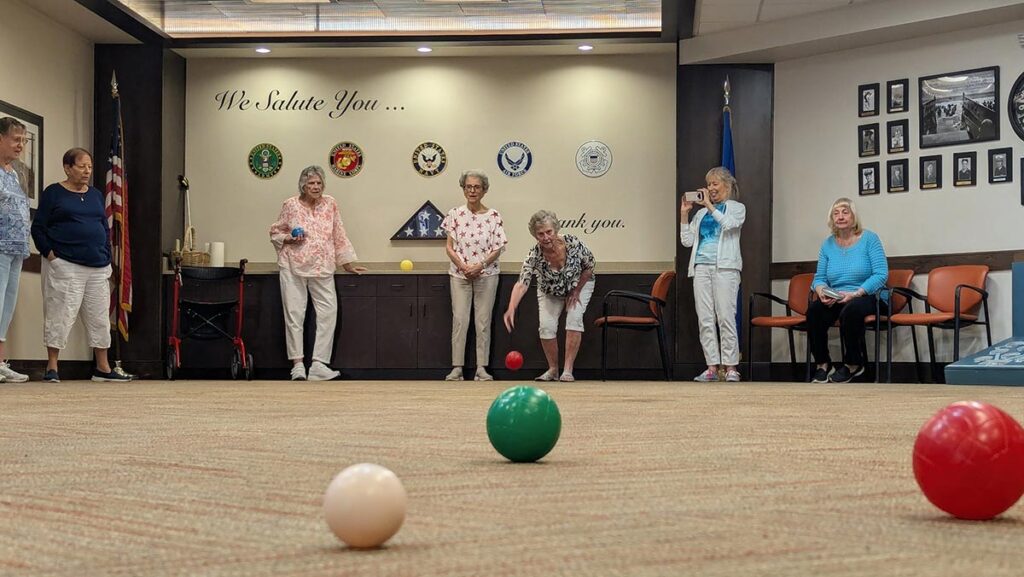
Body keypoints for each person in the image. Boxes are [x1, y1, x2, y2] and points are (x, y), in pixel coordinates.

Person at [30, 148, 131, 383]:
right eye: (81, 166)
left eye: (90, 167)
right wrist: (51, 256)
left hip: (98, 266)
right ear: (67, 167)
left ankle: (103, 368)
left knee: (99, 318)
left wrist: (106, 254)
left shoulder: (96, 195)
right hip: (66, 264)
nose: (87, 171)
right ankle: (52, 367)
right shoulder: (54, 193)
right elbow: (38, 228)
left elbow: (103, 227)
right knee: (60, 314)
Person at [269, 165, 366, 381]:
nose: (315, 187)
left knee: (328, 313)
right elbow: (276, 231)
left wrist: (347, 264)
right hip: (292, 265)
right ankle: (297, 365)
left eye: (319, 183)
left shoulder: (330, 203)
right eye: (311, 183)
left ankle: (319, 364)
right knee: (294, 314)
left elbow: (338, 232)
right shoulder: (291, 205)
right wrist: (288, 238)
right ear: (303, 185)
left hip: (323, 265)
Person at [503, 210, 595, 382]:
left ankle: (567, 370)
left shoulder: (573, 243)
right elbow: (522, 283)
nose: (545, 237)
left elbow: (589, 267)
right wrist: (511, 307)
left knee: (574, 319)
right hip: (550, 290)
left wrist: (576, 291)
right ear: (535, 235)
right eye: (540, 234)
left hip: (579, 285)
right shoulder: (534, 255)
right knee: (546, 327)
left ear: (555, 229)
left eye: (549, 232)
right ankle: (553, 369)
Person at [807, 198, 888, 383]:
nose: (840, 216)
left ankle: (853, 363)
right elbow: (819, 278)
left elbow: (881, 274)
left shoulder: (869, 239)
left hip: (868, 295)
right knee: (814, 311)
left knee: (851, 310)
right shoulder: (827, 244)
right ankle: (823, 364)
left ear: (854, 217)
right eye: (836, 213)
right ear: (831, 218)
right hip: (837, 296)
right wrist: (821, 291)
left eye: (845, 212)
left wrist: (856, 293)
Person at [679, 166, 746, 382]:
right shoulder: (699, 214)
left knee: (725, 317)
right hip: (701, 268)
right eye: (709, 184)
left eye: (715, 184)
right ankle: (711, 367)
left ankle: (731, 367)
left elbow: (729, 225)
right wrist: (684, 214)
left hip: (725, 269)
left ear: (727, 185)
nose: (710, 188)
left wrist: (709, 205)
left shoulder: (736, 208)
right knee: (705, 319)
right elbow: (687, 241)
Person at [442, 170, 507, 382]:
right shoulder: (454, 214)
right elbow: (449, 247)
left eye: (477, 187)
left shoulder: (494, 216)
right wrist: (462, 266)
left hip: (487, 274)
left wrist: (479, 266)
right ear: (463, 189)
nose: (472, 191)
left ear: (484, 190)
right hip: (459, 276)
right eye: (468, 187)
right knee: (460, 320)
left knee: (483, 321)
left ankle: (481, 368)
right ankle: (457, 368)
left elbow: (498, 247)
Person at [0, 117, 31, 383]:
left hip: (16, 247)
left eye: (23, 140)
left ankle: (0, 362)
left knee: (6, 306)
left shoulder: (15, 173)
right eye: (15, 139)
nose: (20, 145)